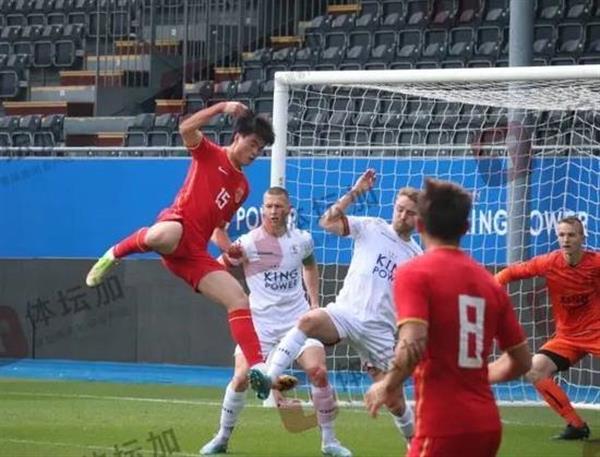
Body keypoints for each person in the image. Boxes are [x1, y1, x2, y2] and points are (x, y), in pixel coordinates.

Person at [84, 102, 280, 389]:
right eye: (252, 144)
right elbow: (185, 127)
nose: (254, 153)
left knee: (238, 298)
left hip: (194, 253)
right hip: (177, 225)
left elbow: (218, 229)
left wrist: (227, 248)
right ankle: (113, 254)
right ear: (237, 137)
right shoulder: (210, 153)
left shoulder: (243, 187)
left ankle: (260, 368)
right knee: (160, 236)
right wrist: (222, 107)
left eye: (260, 149)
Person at [250, 169, 421, 450]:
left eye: (410, 212)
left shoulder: (417, 257)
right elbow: (327, 221)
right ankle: (270, 376)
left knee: (395, 401)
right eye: (399, 209)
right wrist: (355, 193)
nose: (402, 216)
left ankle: (415, 445)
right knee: (308, 320)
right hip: (346, 314)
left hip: (379, 331)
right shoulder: (372, 226)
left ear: (419, 218)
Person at [365, 178, 531, 457]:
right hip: (487, 425)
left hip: (442, 425)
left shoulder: (414, 273)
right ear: (465, 228)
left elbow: (413, 343)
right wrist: (476, 376)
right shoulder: (489, 283)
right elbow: (522, 361)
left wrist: (387, 384)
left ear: (420, 225)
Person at [200, 186, 351, 457]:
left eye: (278, 206)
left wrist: (314, 303)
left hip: (298, 322)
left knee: (318, 372)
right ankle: (221, 437)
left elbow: (309, 266)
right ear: (262, 209)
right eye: (269, 206)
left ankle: (330, 442)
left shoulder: (302, 240)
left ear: (289, 210)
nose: (273, 211)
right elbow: (216, 267)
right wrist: (233, 296)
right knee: (240, 378)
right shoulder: (247, 243)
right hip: (260, 325)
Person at [495, 215, 599, 440]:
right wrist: (493, 285)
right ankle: (576, 425)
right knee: (535, 369)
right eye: (561, 235)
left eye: (571, 235)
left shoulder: (596, 263)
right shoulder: (549, 262)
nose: (566, 240)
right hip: (567, 337)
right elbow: (512, 272)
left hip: (596, 332)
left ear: (582, 237)